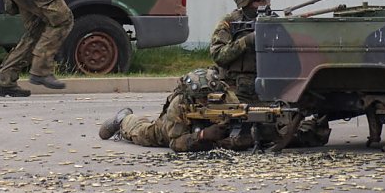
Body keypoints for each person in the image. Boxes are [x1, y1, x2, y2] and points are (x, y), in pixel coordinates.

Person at [98, 68, 330, 152]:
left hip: (219, 131)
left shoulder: (224, 95)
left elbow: (241, 111)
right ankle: (123, 119)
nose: (209, 100)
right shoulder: (180, 104)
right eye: (203, 99)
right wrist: (202, 136)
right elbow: (175, 143)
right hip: (176, 130)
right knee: (145, 134)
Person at [209, 0, 274, 103]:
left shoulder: (273, 21)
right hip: (236, 91)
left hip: (268, 89)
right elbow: (218, 55)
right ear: (246, 2)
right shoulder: (229, 22)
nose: (267, 4)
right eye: (261, 0)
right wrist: (247, 41)